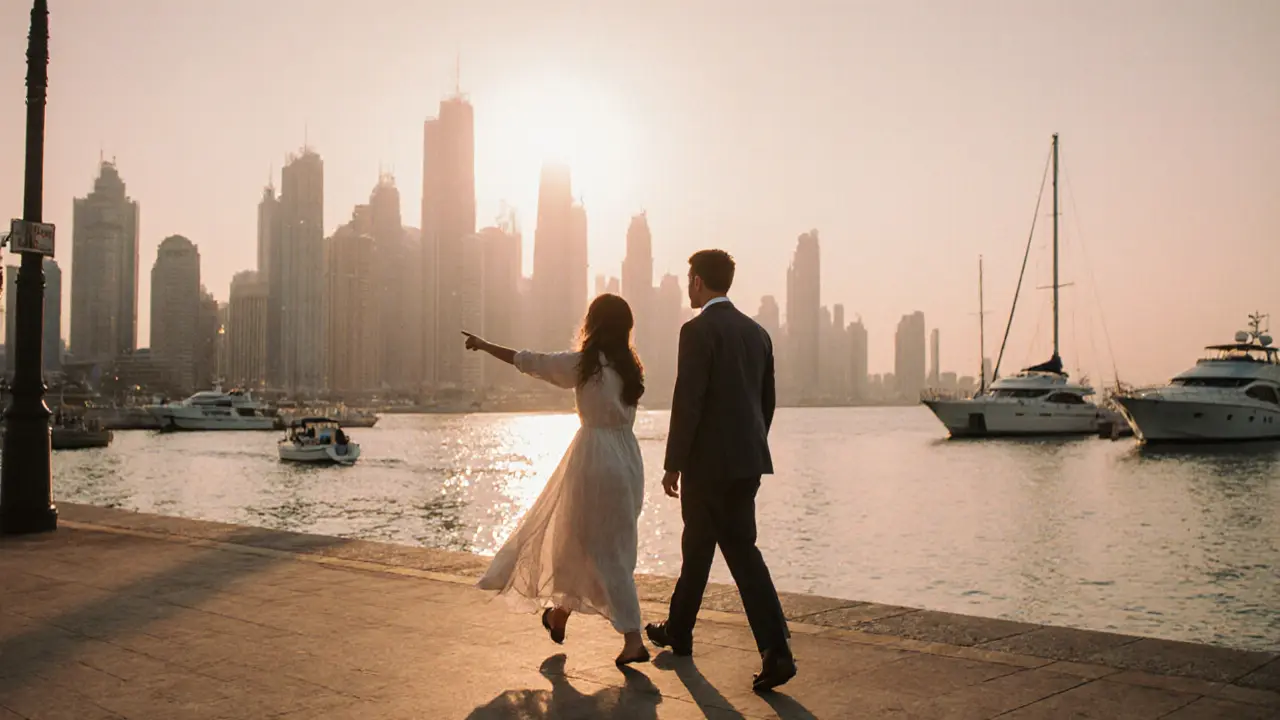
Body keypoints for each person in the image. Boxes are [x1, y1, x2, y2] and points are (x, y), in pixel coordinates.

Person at [463, 293, 650, 665]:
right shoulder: (630, 369)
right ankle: (559, 615)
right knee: (596, 544)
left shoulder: (585, 364)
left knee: (595, 547)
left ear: (594, 324)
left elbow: (531, 362)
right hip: (629, 461)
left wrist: (485, 346)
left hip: (595, 459)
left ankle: (633, 638)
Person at [645, 249, 796, 692]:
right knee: (713, 549)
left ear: (697, 282)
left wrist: (674, 463)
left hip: (706, 465)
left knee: (721, 550)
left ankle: (774, 650)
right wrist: (750, 447)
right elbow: (766, 402)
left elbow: (688, 401)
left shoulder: (696, 331)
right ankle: (682, 631)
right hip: (747, 462)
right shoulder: (758, 333)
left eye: (690, 279)